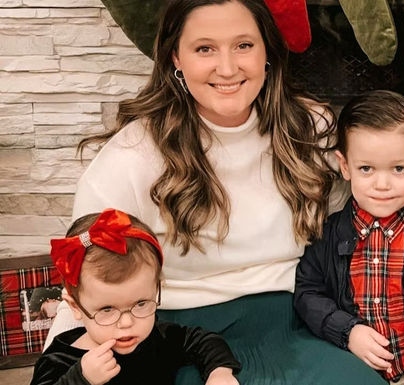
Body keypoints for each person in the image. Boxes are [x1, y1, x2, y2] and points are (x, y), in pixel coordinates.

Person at [43, 1, 384, 384]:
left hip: (298, 321)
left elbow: (346, 236)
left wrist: (351, 324)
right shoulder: (131, 156)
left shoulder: (309, 128)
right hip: (178, 339)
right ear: (176, 57)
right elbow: (85, 278)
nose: (227, 67)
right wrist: (63, 370)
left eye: (244, 45)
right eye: (205, 48)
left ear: (268, 52)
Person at [294, 90, 404, 385]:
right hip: (351, 374)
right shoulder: (327, 235)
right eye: (366, 169)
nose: (383, 184)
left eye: (399, 168)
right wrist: (347, 330)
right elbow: (307, 293)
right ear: (345, 166)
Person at [32, 208, 240, 385]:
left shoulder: (157, 338)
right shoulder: (59, 360)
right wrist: (81, 377)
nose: (126, 322)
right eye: (107, 309)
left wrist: (220, 372)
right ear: (76, 307)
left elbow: (203, 341)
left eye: (140, 303)